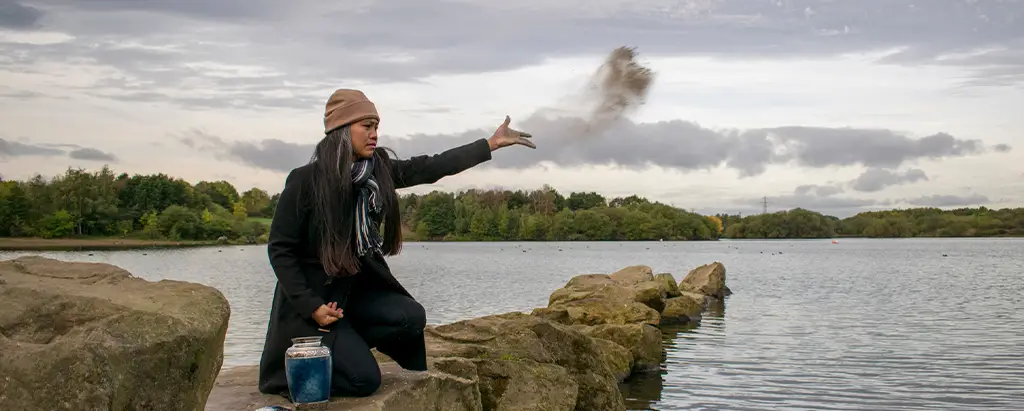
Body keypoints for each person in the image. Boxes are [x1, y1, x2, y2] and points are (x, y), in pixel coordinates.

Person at [257, 89, 535, 398]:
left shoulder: (378, 172)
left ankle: (348, 342)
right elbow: (280, 249)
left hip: (353, 299)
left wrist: (490, 144)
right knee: (365, 381)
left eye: (376, 126)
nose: (375, 134)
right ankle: (310, 363)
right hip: (317, 307)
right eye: (367, 126)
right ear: (341, 130)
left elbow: (431, 166)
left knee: (410, 317)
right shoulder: (305, 181)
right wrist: (313, 306)